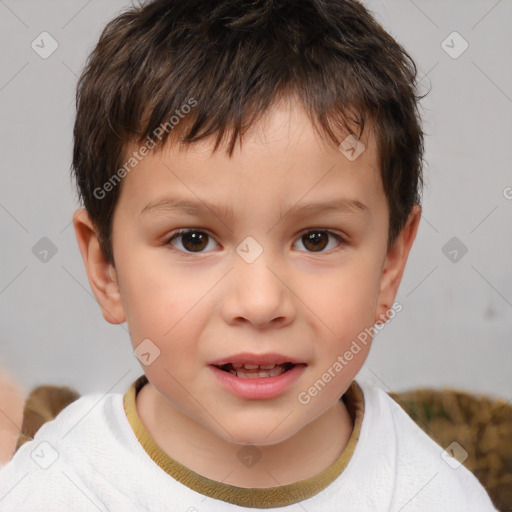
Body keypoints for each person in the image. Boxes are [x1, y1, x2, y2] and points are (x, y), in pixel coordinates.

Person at [0, 0, 498, 510]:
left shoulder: (434, 495)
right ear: (106, 269)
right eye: (193, 239)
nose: (259, 303)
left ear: (390, 266)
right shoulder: (52, 492)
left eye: (317, 239)